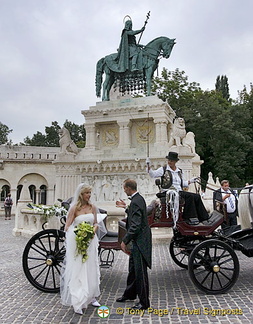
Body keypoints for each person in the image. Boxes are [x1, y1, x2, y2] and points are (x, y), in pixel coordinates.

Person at [60, 183, 107, 315]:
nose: (89, 195)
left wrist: (92, 231)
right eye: (87, 193)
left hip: (91, 242)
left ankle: (92, 296)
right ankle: (78, 299)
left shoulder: (93, 207)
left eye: (90, 193)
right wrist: (79, 233)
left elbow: (96, 223)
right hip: (79, 243)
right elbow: (67, 227)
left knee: (91, 267)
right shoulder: (74, 208)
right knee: (80, 269)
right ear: (81, 194)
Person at [115, 179, 152, 310]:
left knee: (140, 272)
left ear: (129, 188)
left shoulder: (136, 201)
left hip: (140, 241)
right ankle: (130, 294)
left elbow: (136, 225)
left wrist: (125, 240)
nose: (124, 190)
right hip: (138, 240)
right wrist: (126, 207)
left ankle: (144, 302)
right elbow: (135, 215)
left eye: (124, 188)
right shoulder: (137, 199)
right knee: (133, 269)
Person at [147, 152, 209, 223]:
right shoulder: (163, 169)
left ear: (175, 161)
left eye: (172, 160)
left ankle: (204, 217)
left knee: (197, 196)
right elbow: (152, 174)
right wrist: (148, 166)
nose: (170, 162)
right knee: (189, 197)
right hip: (168, 192)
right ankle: (188, 217)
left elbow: (183, 184)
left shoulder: (179, 171)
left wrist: (191, 181)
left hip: (178, 191)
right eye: (169, 160)